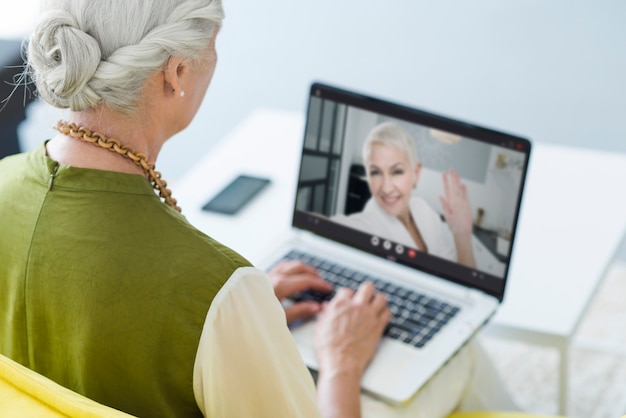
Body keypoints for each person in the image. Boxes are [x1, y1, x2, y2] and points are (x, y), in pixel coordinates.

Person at [0, 1, 390, 417]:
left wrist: (237, 318)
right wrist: (341, 367)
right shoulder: (219, 289)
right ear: (177, 72)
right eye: (214, 46)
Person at [333, 122, 477, 268]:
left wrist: (462, 235)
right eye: (375, 172)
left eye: (397, 172)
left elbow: (459, 277)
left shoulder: (424, 210)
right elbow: (331, 227)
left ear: (416, 173)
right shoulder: (369, 224)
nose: (387, 188)